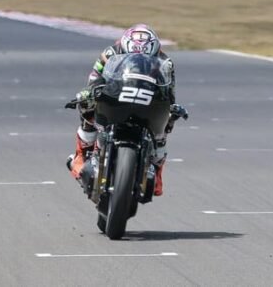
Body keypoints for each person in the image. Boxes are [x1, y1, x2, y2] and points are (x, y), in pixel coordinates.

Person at [68, 23, 185, 197]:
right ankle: (81, 154)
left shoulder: (165, 62)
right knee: (87, 106)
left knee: (167, 121)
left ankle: (157, 173)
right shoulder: (110, 53)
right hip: (115, 94)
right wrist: (91, 91)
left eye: (145, 56)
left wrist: (171, 106)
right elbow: (95, 76)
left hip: (146, 100)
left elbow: (169, 89)